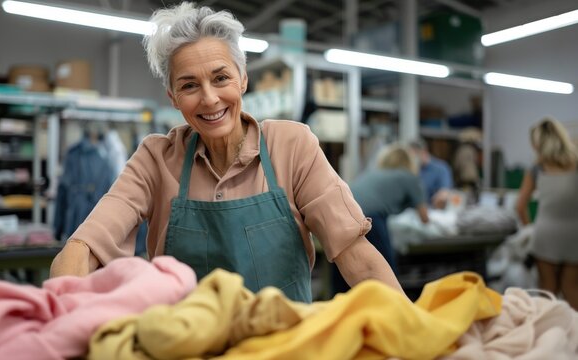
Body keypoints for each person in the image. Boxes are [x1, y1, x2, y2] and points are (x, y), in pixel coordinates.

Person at [49, 2, 404, 303]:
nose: (209, 98)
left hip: (286, 347)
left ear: (243, 79)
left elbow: (355, 254)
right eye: (189, 85)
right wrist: (61, 317)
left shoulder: (292, 146)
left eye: (221, 78)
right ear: (173, 98)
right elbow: (83, 248)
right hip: (189, 348)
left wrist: (416, 334)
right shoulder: (156, 159)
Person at [331, 144, 429, 294]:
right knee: (386, 278)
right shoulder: (409, 177)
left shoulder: (372, 174)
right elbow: (424, 218)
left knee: (344, 276)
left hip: (340, 218)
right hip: (370, 219)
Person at [516, 117, 578, 310]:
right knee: (572, 290)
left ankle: (545, 335)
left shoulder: (537, 169)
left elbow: (519, 206)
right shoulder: (576, 164)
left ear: (537, 143)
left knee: (547, 290)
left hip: (546, 234)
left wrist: (528, 228)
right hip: (574, 235)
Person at [409, 138, 453, 209]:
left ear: (424, 152)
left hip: (433, 211)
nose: (413, 159)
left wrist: (441, 197)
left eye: (415, 155)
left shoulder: (441, 168)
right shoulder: (411, 169)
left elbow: (444, 192)